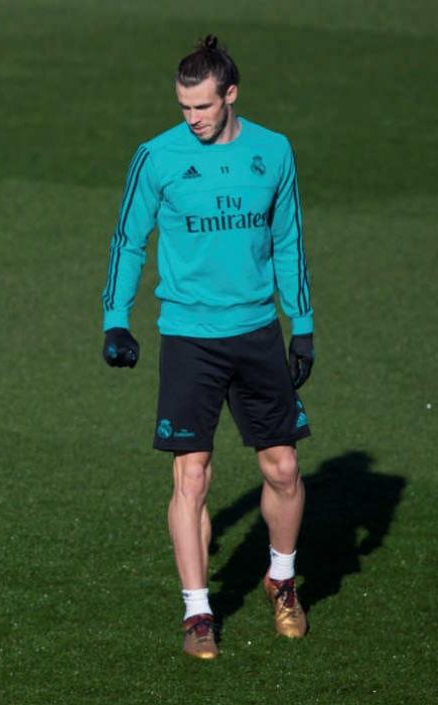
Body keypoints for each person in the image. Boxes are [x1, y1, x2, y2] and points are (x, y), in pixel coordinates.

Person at [100, 36, 315, 660]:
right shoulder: (156, 157)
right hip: (189, 336)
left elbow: (289, 241)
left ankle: (281, 580)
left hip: (256, 333)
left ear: (230, 94)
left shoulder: (273, 152)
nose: (190, 117)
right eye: (182, 106)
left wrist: (300, 324)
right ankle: (198, 610)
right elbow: (127, 240)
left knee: (282, 467)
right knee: (191, 473)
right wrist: (116, 320)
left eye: (201, 106)